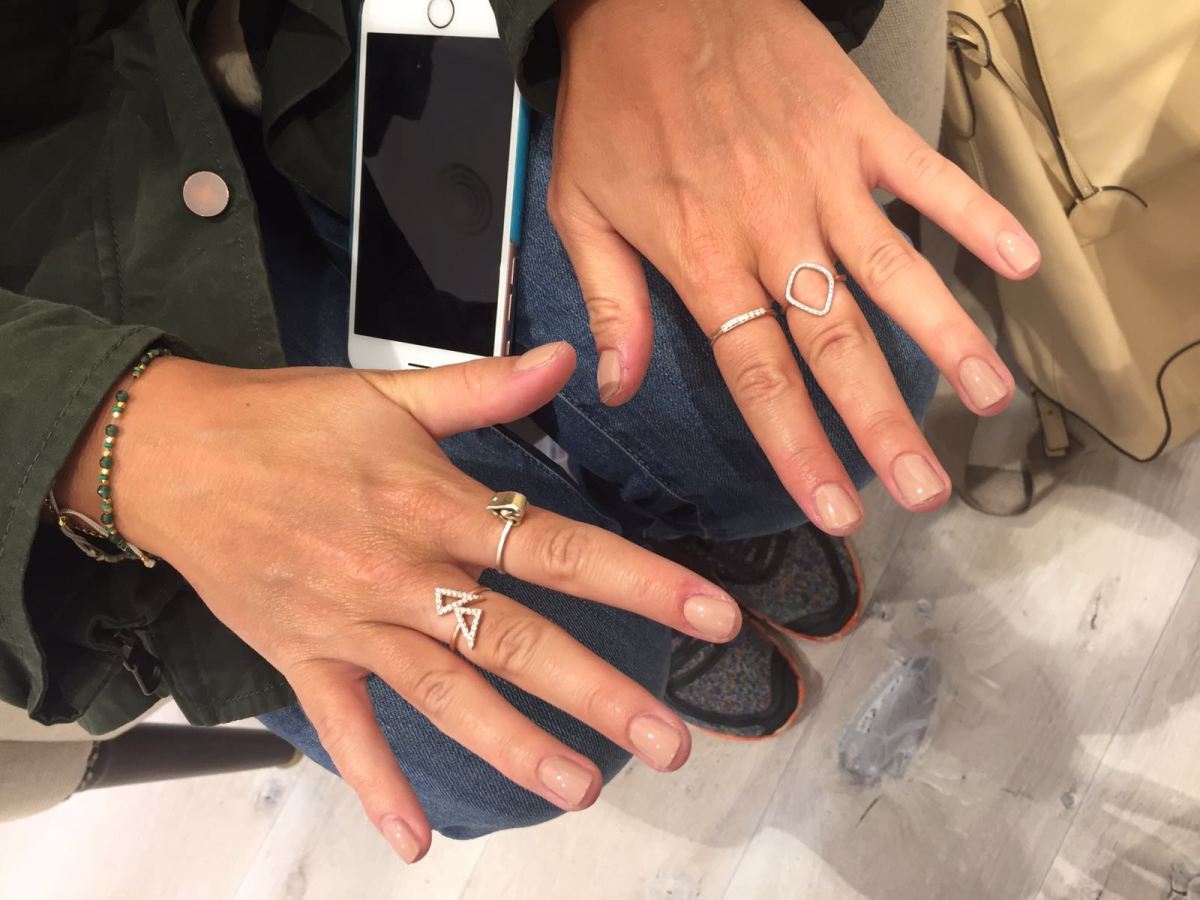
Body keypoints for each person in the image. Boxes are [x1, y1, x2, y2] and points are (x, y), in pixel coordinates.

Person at [0, 0, 1038, 863]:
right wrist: (107, 436)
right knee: (500, 743)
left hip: (338, 29)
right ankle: (641, 572)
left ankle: (677, 516)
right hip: (46, 261)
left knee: (808, 399)